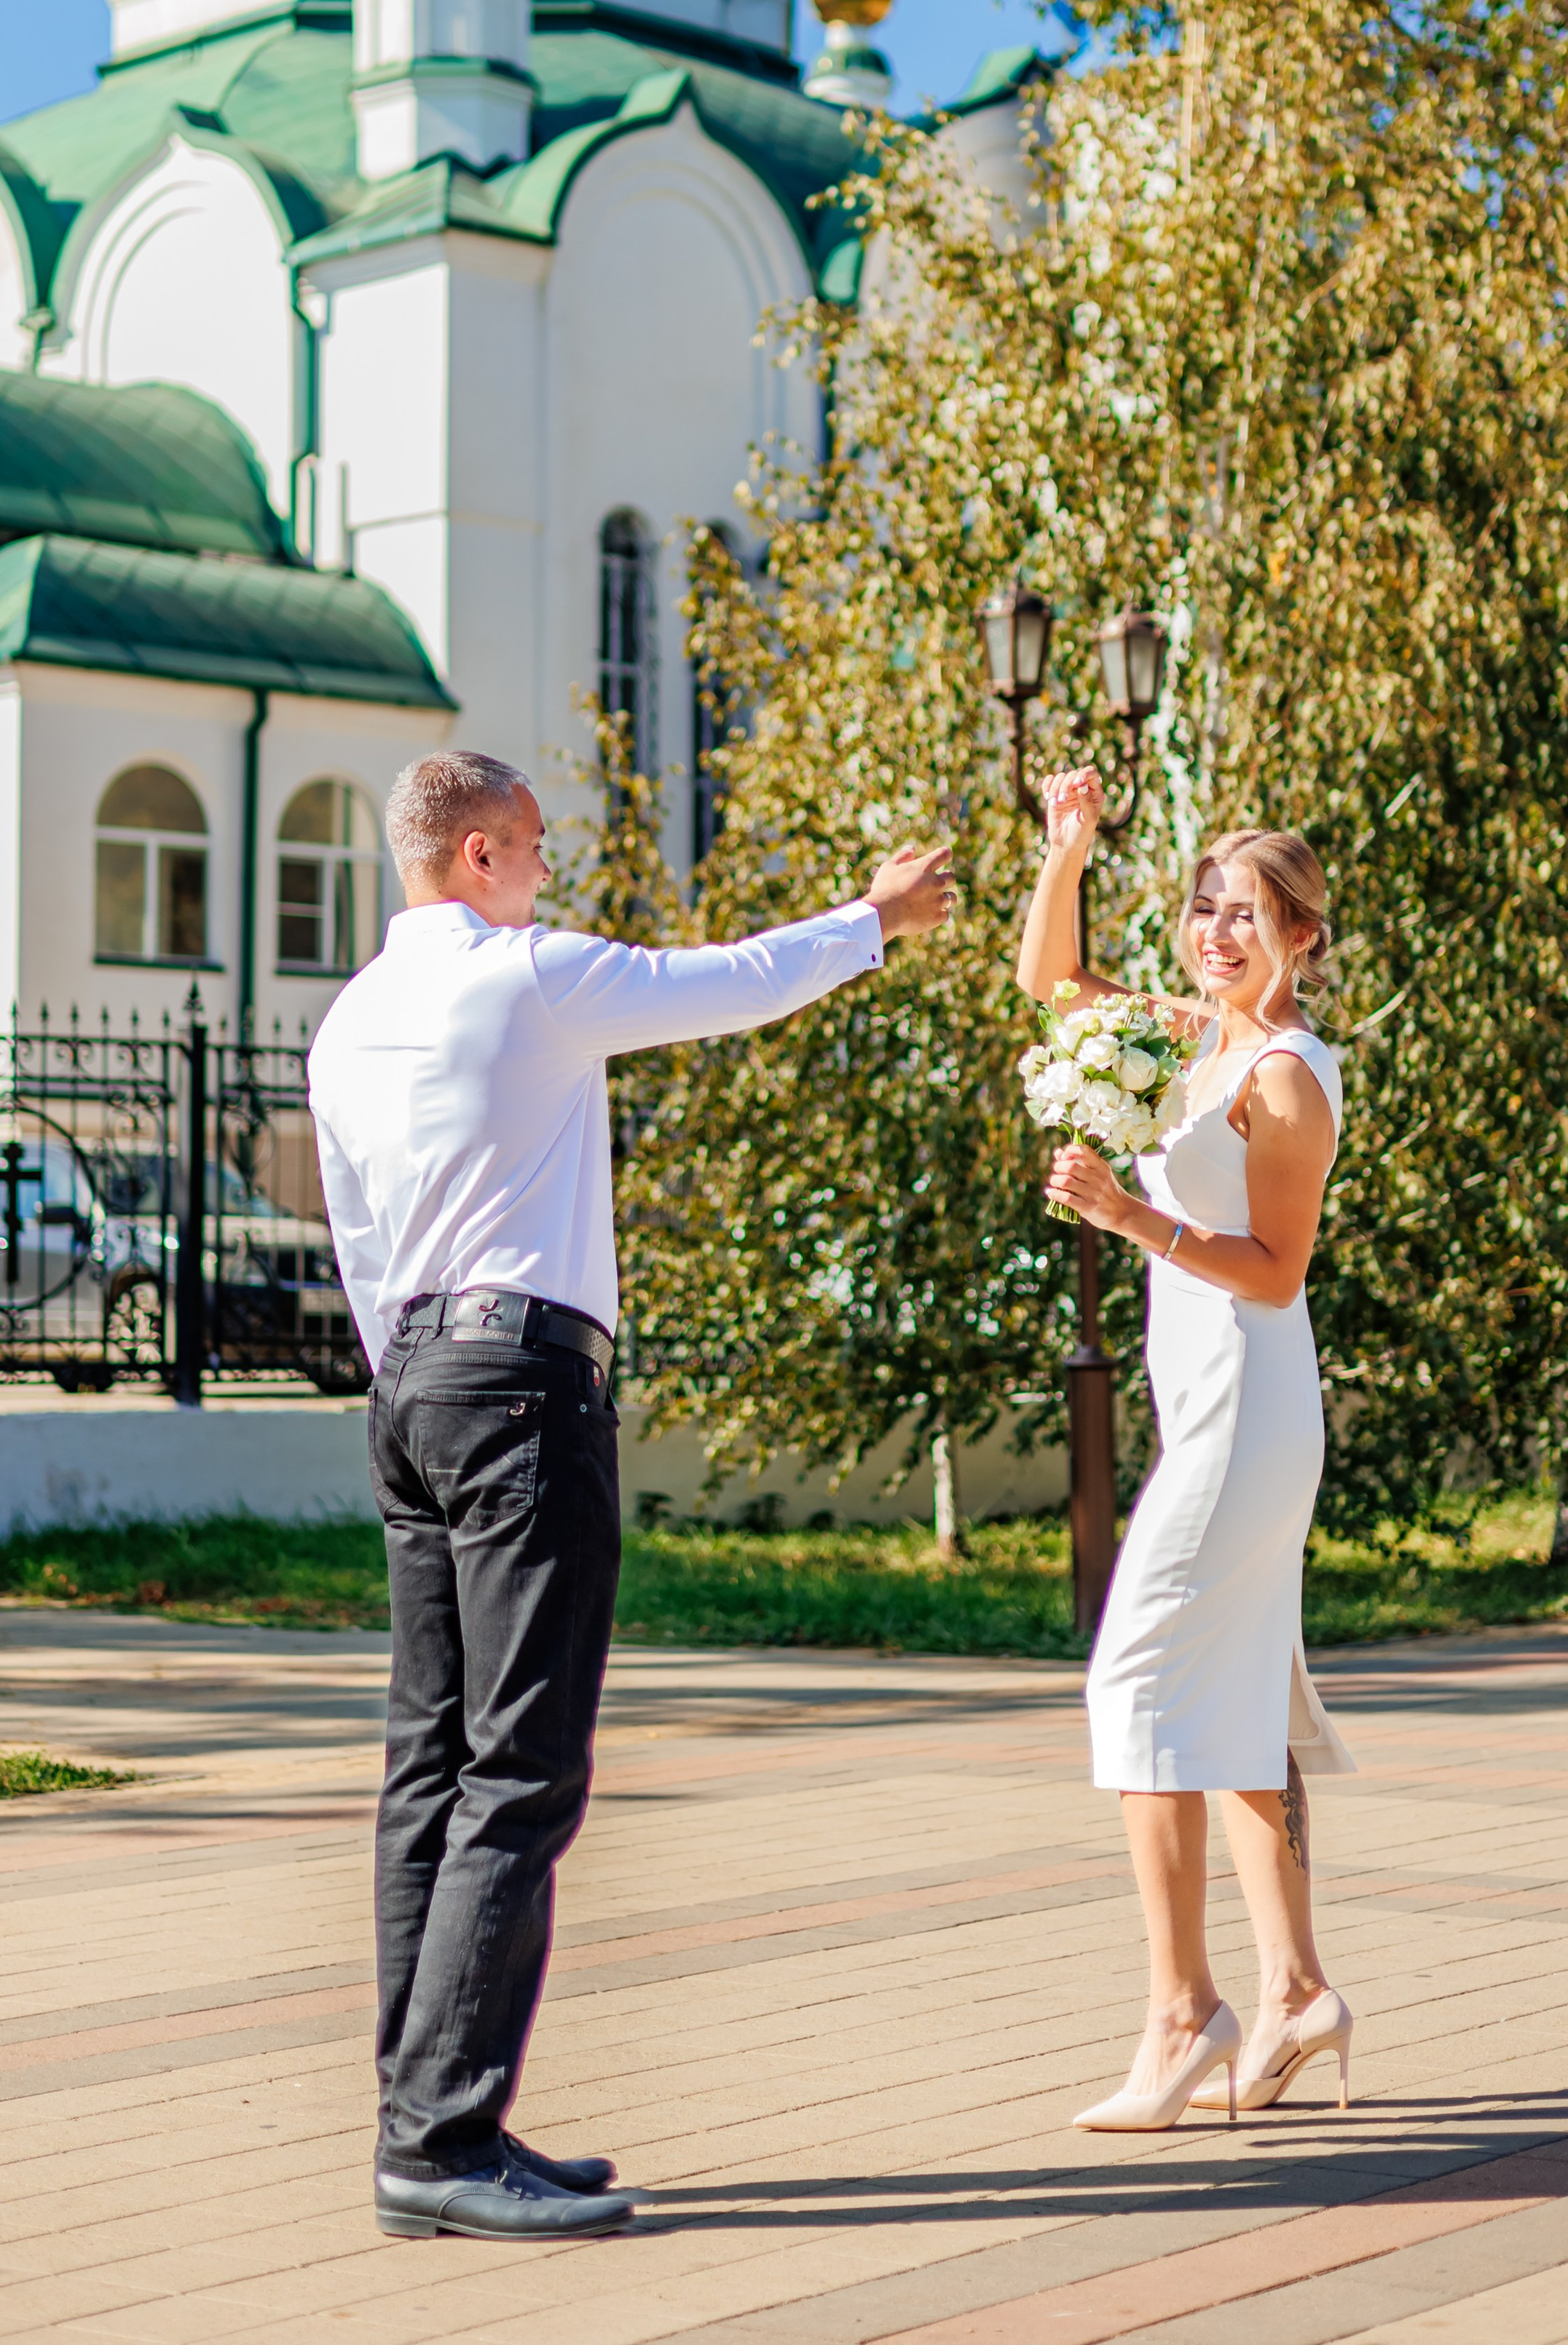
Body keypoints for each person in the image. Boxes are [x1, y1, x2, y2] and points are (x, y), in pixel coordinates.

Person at [310, 749, 953, 2241]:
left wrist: (409, 1376)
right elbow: (713, 980)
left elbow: (352, 1230)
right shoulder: (525, 976)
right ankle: (442, 2140)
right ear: (477, 854)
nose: (549, 868)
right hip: (522, 1387)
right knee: (522, 1771)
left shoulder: (346, 1024)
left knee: (432, 1766)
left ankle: (432, 2122)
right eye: (534, 845)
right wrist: (873, 919)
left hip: (409, 1382)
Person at [1017, 768, 1355, 2132]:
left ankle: (1181, 2013)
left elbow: (1276, 1272)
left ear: (1305, 939)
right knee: (1234, 1699)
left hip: (1247, 1407)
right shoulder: (1189, 1034)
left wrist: (1125, 1214)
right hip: (1209, 1405)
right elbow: (1050, 982)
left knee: (1139, 1679)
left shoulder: (1280, 1075)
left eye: (1250, 917)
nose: (1218, 934)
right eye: (1206, 910)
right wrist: (1067, 851)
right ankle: (1295, 1993)